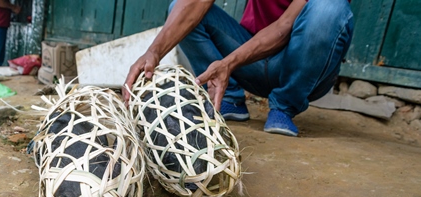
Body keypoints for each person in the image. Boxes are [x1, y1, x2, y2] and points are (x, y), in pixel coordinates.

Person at [124, 0, 354, 137]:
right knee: (181, 9)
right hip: (252, 61)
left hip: (304, 70)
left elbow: (283, 29)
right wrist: (153, 52)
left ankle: (285, 105)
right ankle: (230, 98)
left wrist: (228, 63)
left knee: (329, 8)